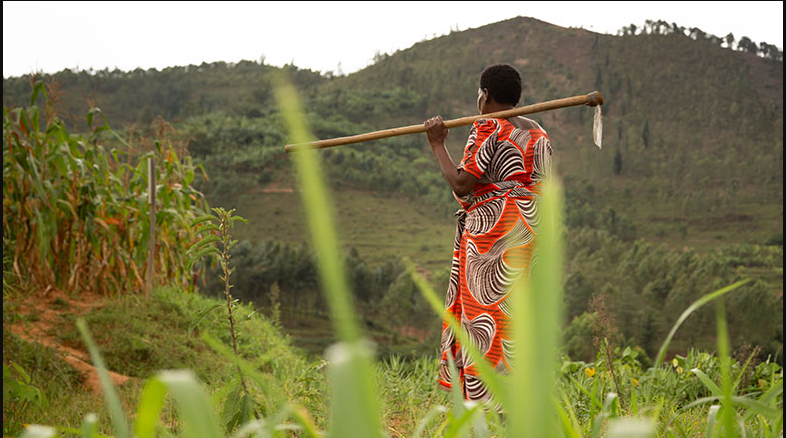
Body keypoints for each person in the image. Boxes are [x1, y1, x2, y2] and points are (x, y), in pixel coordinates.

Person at [424, 64, 552, 402]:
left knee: (486, 317)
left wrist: (437, 143)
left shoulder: (488, 125)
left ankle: (485, 403)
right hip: (531, 231)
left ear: (485, 95)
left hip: (493, 235)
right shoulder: (538, 131)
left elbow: (462, 183)